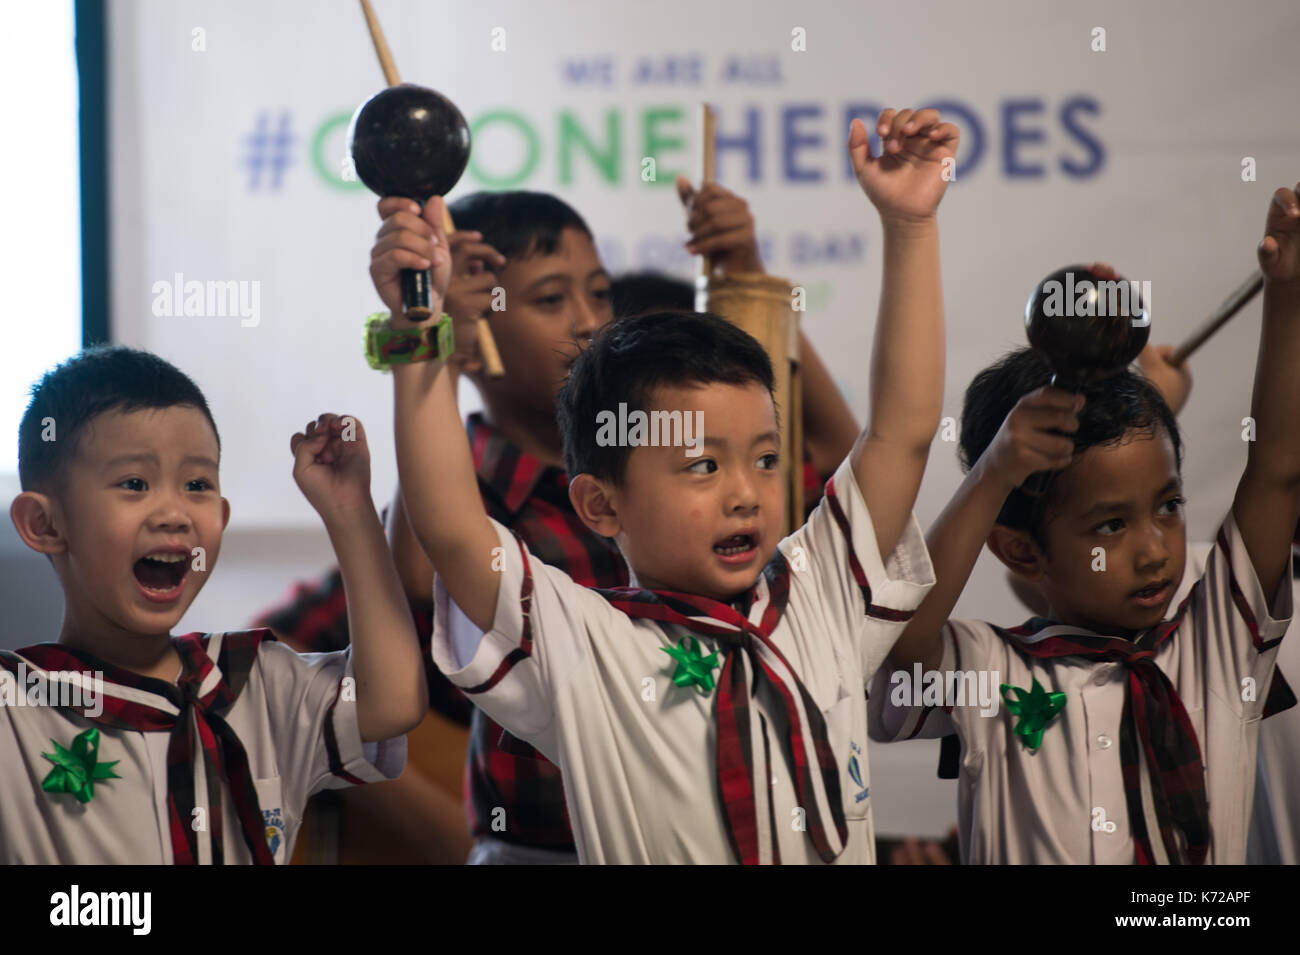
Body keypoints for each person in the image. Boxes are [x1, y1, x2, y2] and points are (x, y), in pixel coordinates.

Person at [388, 107, 955, 863]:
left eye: (763, 458)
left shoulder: (819, 595)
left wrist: (911, 224)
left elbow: (902, 431)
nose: (746, 493)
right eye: (701, 465)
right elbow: (450, 527)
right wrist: (416, 317)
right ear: (600, 502)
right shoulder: (582, 642)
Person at [869, 183, 1300, 863]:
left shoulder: (1219, 642)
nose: (1156, 550)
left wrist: (1290, 289)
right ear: (1018, 549)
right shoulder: (988, 671)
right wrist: (995, 471)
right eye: (1109, 527)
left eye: (1168, 506)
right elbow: (903, 637)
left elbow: (1278, 466)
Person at [2, 347, 423, 863]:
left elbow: (395, 701)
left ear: (221, 517)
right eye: (135, 484)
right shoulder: (15, 710)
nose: (175, 513)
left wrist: (350, 511)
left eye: (197, 485)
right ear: (44, 525)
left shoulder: (256, 684)